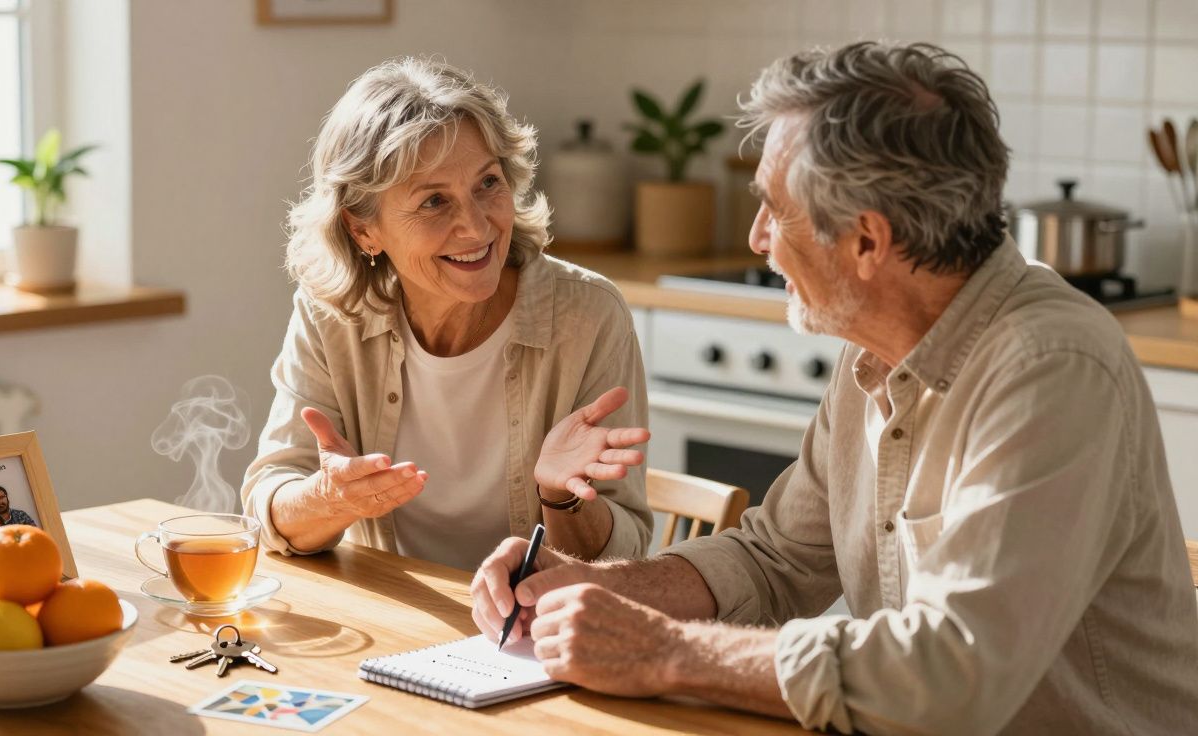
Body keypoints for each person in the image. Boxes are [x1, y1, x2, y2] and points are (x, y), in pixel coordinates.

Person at [471, 42, 1198, 735]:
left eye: (774, 210)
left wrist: (664, 650)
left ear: (868, 241)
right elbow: (777, 560)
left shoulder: (1051, 369)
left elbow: (956, 674)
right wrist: (598, 584)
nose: (757, 239)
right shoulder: (874, 352)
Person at [241, 58, 652, 572]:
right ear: (363, 230)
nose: (476, 226)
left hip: (527, 633)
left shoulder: (588, 315)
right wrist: (329, 498)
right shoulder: (331, 315)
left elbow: (626, 552)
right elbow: (268, 505)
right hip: (397, 618)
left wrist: (562, 498)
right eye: (434, 201)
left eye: (487, 184)